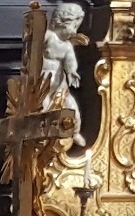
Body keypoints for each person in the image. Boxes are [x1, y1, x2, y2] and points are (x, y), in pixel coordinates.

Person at [42, 2, 88, 147]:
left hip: (59, 85)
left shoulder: (67, 46)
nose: (74, 31)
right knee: (42, 107)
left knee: (71, 107)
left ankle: (75, 131)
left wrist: (72, 72)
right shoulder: (49, 37)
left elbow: (70, 62)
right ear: (60, 22)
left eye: (76, 27)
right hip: (42, 83)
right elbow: (34, 45)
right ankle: (42, 134)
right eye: (73, 26)